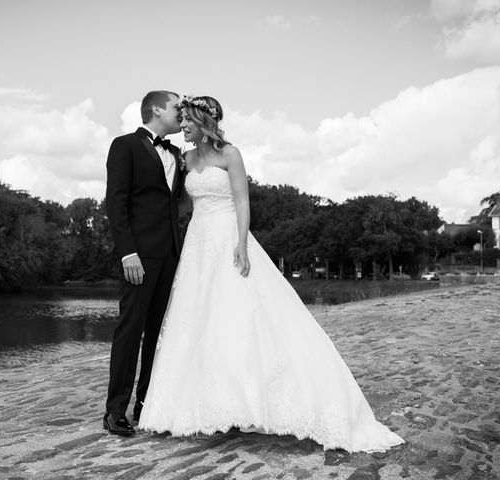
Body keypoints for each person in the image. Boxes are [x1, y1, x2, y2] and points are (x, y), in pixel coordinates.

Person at [138, 95, 405, 453]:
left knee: (240, 315)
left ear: (204, 122)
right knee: (198, 320)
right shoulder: (186, 158)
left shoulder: (230, 154)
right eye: (180, 120)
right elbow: (184, 204)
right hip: (197, 245)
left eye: (187, 121)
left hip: (229, 238)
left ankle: (257, 399)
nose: (182, 126)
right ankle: (209, 403)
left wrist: (243, 244)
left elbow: (241, 200)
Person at [103, 90, 184, 436]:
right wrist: (127, 252)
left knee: (158, 334)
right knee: (130, 330)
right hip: (138, 256)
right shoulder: (125, 146)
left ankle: (147, 402)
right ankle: (114, 410)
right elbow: (116, 203)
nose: (181, 113)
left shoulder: (178, 154)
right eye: (176, 107)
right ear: (155, 109)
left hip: (171, 256)